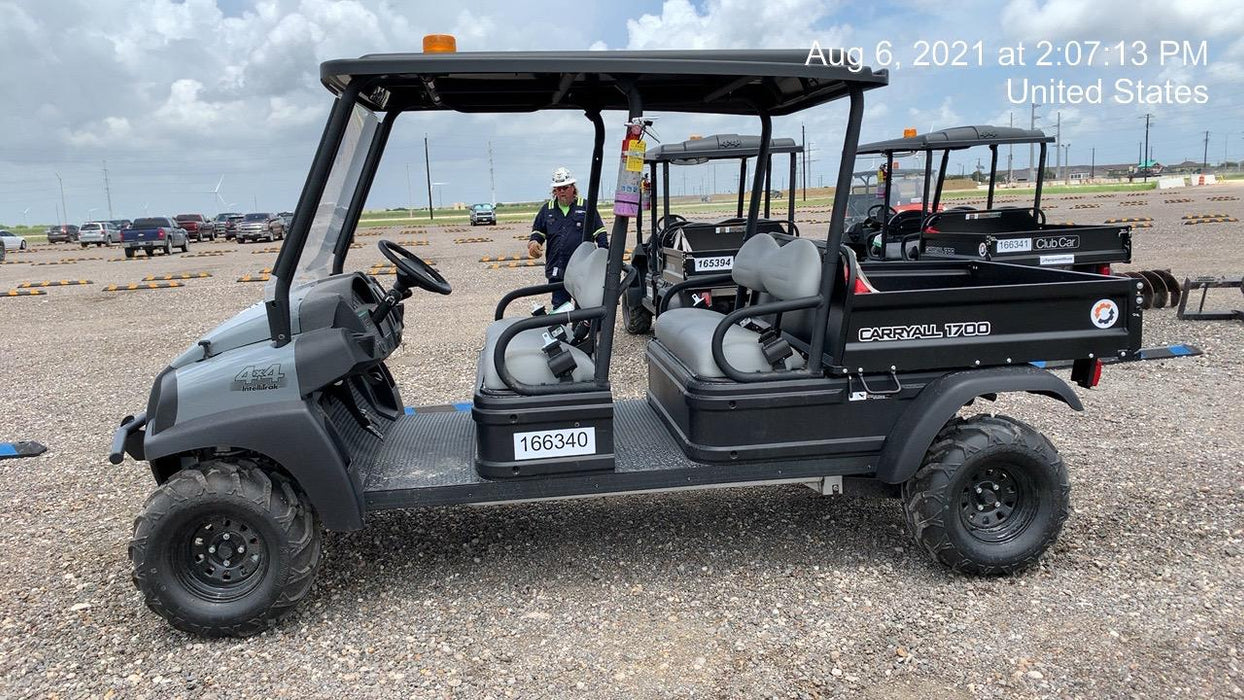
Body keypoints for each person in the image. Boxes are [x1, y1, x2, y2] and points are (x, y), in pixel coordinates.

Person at [527, 167, 607, 308]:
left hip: (582, 270)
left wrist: (605, 259)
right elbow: (538, 233)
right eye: (558, 189)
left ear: (573, 188)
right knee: (560, 308)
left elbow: (600, 233)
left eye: (565, 187)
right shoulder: (547, 209)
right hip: (557, 269)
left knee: (585, 308)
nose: (562, 191)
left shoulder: (586, 207)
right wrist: (534, 243)